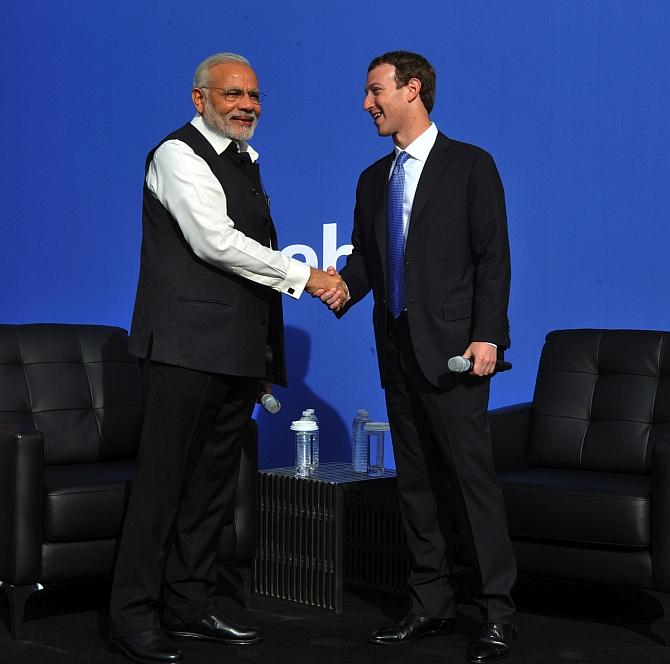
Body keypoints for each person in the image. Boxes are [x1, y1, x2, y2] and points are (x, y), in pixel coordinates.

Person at [107, 52, 345, 664]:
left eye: (255, 96)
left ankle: (188, 606)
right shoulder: (177, 155)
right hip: (184, 353)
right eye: (233, 93)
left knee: (211, 490)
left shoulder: (245, 161)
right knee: (162, 488)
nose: (246, 105)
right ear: (200, 99)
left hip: (236, 353)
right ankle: (131, 615)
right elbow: (214, 242)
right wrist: (306, 274)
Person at [322, 51, 517, 663]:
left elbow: (493, 258)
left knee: (471, 485)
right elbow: (371, 264)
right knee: (416, 486)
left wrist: (489, 336)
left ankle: (494, 614)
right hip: (398, 352)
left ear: (413, 90)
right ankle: (430, 603)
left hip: (458, 355)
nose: (366, 104)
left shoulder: (471, 166)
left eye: (375, 90)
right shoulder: (371, 179)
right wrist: (341, 285)